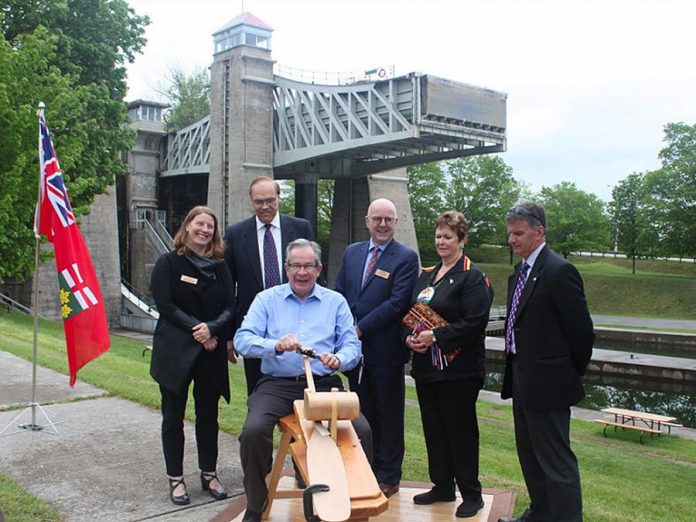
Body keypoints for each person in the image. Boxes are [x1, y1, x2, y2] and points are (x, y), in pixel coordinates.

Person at [234, 239, 373, 522]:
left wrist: (340, 359)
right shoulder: (267, 299)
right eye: (296, 265)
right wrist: (275, 345)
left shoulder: (335, 301)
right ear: (286, 268)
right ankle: (256, 502)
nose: (301, 272)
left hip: (323, 383)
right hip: (277, 383)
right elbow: (242, 340)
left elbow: (352, 347)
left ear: (319, 269)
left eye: (308, 266)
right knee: (253, 431)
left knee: (362, 430)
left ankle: (352, 501)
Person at [498, 202, 594, 522]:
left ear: (540, 232)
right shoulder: (519, 272)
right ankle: (540, 514)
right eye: (510, 233)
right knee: (531, 458)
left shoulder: (559, 271)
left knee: (557, 464)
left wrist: (564, 373)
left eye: (519, 233)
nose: (512, 240)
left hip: (549, 385)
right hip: (522, 381)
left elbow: (581, 333)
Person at [405, 210, 492, 519]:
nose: (442, 241)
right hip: (427, 370)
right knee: (435, 431)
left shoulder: (473, 277)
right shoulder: (427, 275)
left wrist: (435, 336)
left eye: (448, 237)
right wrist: (411, 339)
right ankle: (442, 486)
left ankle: (471, 494)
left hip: (459, 372)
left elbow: (474, 323)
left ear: (462, 240)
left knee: (461, 432)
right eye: (439, 236)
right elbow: (411, 313)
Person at [149, 206, 234, 505]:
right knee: (173, 417)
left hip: (209, 352)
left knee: (208, 416)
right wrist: (198, 330)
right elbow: (165, 304)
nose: (205, 230)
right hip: (175, 351)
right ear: (187, 226)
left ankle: (208, 473)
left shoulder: (220, 266)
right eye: (199, 224)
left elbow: (229, 306)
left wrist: (212, 329)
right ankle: (176, 478)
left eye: (210, 226)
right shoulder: (169, 263)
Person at [335, 197, 418, 498]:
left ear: (396, 223)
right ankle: (363, 469)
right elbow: (341, 293)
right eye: (377, 219)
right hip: (354, 353)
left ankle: (389, 475)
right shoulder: (353, 252)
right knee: (362, 413)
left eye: (388, 219)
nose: (382, 224)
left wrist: (358, 328)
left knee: (389, 415)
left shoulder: (405, 258)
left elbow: (397, 304)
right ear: (367, 221)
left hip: (385, 352)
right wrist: (342, 329)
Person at [224, 176, 315, 396]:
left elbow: (313, 277)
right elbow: (228, 287)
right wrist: (230, 334)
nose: (265, 206)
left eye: (270, 200)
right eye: (259, 202)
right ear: (251, 201)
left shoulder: (301, 228)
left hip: (297, 326)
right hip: (255, 328)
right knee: (257, 397)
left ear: (278, 198)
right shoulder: (236, 234)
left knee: (299, 399)